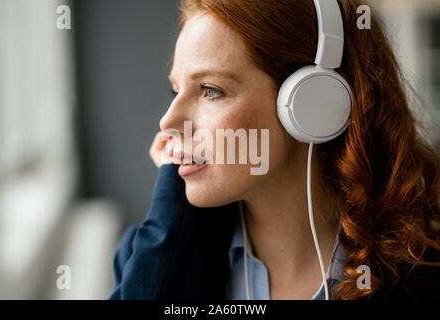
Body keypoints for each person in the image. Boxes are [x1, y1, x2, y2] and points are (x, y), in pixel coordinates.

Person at [109, 0, 440, 300]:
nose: (168, 121)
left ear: (313, 104)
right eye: (176, 90)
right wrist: (171, 209)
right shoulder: (152, 254)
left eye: (210, 90)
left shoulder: (421, 270)